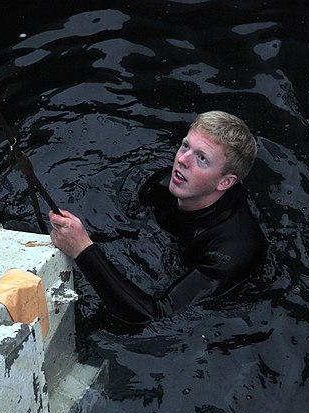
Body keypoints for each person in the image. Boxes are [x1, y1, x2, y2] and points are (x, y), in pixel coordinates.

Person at [48, 110, 267, 324]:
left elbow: (153, 315)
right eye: (185, 146)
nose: (182, 160)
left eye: (201, 158)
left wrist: (83, 249)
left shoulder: (231, 250)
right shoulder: (162, 186)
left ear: (225, 182)